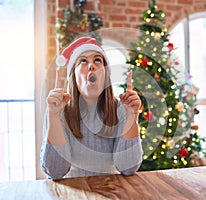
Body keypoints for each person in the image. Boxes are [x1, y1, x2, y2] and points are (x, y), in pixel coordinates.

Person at [40, 37, 143, 179]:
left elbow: (128, 167)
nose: (91, 66)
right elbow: (55, 171)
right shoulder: (58, 110)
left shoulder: (121, 109)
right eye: (83, 61)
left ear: (105, 74)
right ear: (74, 76)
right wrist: (53, 116)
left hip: (110, 191)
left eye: (97, 60)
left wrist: (132, 116)